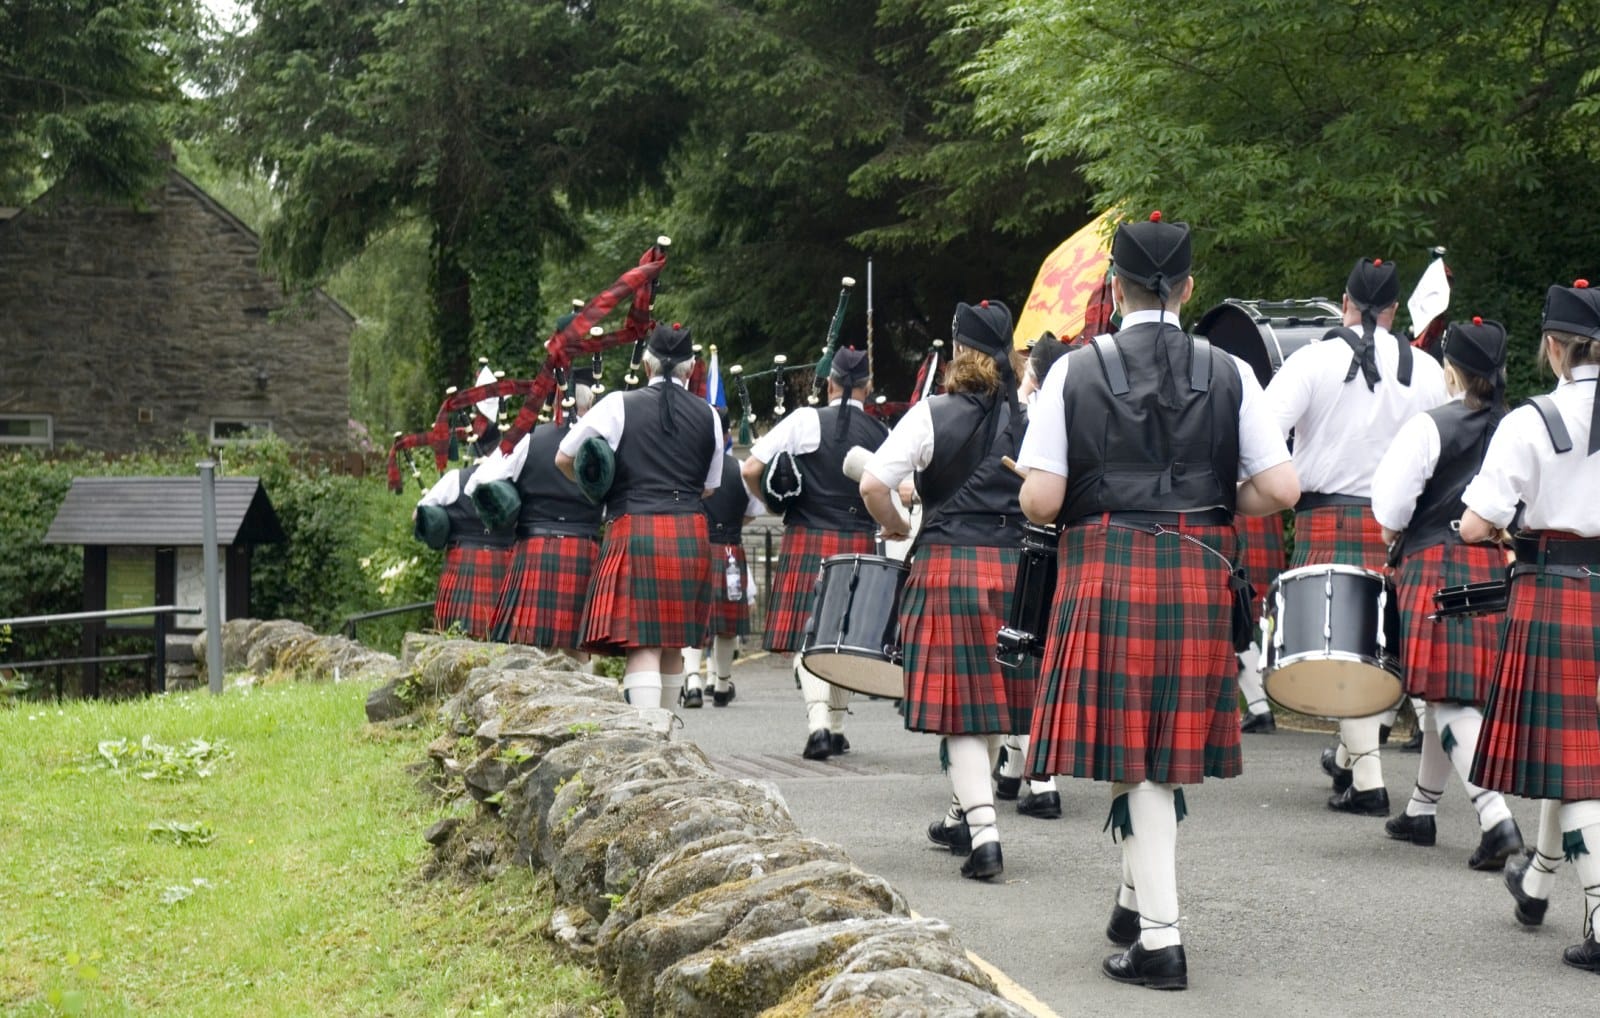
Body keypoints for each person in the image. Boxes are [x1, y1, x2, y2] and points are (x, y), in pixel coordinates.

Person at [1018, 213, 1299, 989]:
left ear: (1115, 288)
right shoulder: (1232, 371)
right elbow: (1281, 489)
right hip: (1198, 562)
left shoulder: (1073, 370)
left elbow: (1041, 500)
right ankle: (1134, 899)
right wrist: (1212, 502)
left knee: (1137, 757)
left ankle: (1163, 941)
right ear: (1188, 288)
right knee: (1154, 752)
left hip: (1106, 565)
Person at [860, 299, 1037, 881]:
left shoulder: (931, 413)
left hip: (948, 565)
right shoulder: (1028, 419)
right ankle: (964, 812)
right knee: (990, 703)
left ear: (960, 351)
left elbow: (872, 483)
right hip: (1014, 569)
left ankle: (984, 835)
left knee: (963, 711)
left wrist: (891, 525)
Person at [1265, 257, 1448, 814]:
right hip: (1400, 525)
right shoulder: (1427, 370)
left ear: (1344, 301)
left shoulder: (1311, 361)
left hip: (1325, 519)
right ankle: (1349, 759)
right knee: (1377, 642)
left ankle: (1367, 779)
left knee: (1344, 647)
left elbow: (1265, 435)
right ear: (1394, 310)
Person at [1459, 279, 1600, 972]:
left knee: (1576, 766)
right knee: (1574, 750)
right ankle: (1539, 882)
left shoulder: (1532, 421)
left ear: (1553, 346)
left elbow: (1477, 523)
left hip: (1556, 592)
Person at [1370, 316, 1524, 868]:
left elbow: (1389, 512)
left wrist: (1395, 534)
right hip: (1496, 568)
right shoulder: (1516, 426)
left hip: (1436, 566)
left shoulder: (1429, 427)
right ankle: (1421, 809)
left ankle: (1495, 818)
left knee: (1451, 698)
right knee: (1448, 693)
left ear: (1451, 370)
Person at [556, 324, 722, 709]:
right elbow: (709, 487)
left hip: (635, 526)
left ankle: (646, 737)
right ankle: (664, 732)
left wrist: (599, 487)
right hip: (689, 530)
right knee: (672, 642)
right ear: (691, 369)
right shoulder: (709, 415)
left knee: (643, 643)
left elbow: (566, 457)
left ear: (647, 367)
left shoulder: (618, 404)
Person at [742, 346, 889, 760]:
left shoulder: (804, 420)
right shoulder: (882, 434)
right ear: (868, 387)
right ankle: (838, 728)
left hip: (808, 534)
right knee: (841, 636)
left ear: (829, 383)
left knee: (811, 633)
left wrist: (775, 504)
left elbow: (750, 468)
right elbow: (896, 488)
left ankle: (820, 725)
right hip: (859, 539)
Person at [464, 382, 602, 660]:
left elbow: (478, 482)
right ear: (589, 407)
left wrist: (510, 496)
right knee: (579, 646)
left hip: (536, 547)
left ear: (554, 408)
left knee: (533, 646)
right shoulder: (603, 445)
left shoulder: (528, 439)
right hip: (584, 548)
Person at [682, 448, 763, 708]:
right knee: (727, 626)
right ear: (728, 435)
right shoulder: (740, 469)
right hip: (729, 550)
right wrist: (732, 525)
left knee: (691, 619)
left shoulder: (688, 461)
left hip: (695, 546)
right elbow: (754, 510)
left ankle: (693, 682)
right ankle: (721, 686)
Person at [412, 462, 515, 639]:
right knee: (505, 637)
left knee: (455, 636)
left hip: (461, 562)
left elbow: (418, 514)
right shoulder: (514, 478)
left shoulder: (454, 478)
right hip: (505, 561)